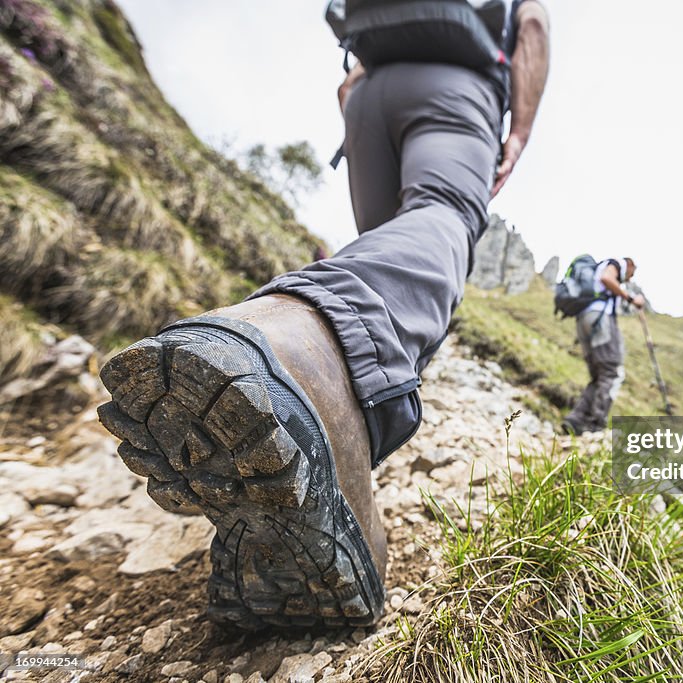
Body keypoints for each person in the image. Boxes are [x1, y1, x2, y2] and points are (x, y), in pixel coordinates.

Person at [97, 1, 550, 631]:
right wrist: (519, 129)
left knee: (390, 238)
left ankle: (321, 434)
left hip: (367, 96)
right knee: (442, 216)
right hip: (457, 86)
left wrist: (361, 101)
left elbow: (348, 77)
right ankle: (303, 354)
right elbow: (531, 23)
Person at [562, 258, 645, 435]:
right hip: (600, 320)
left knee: (598, 376)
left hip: (584, 321)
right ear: (629, 264)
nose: (630, 278)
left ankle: (575, 420)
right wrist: (630, 298)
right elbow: (607, 279)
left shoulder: (596, 270)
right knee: (612, 371)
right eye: (632, 272)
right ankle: (595, 424)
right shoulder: (616, 264)